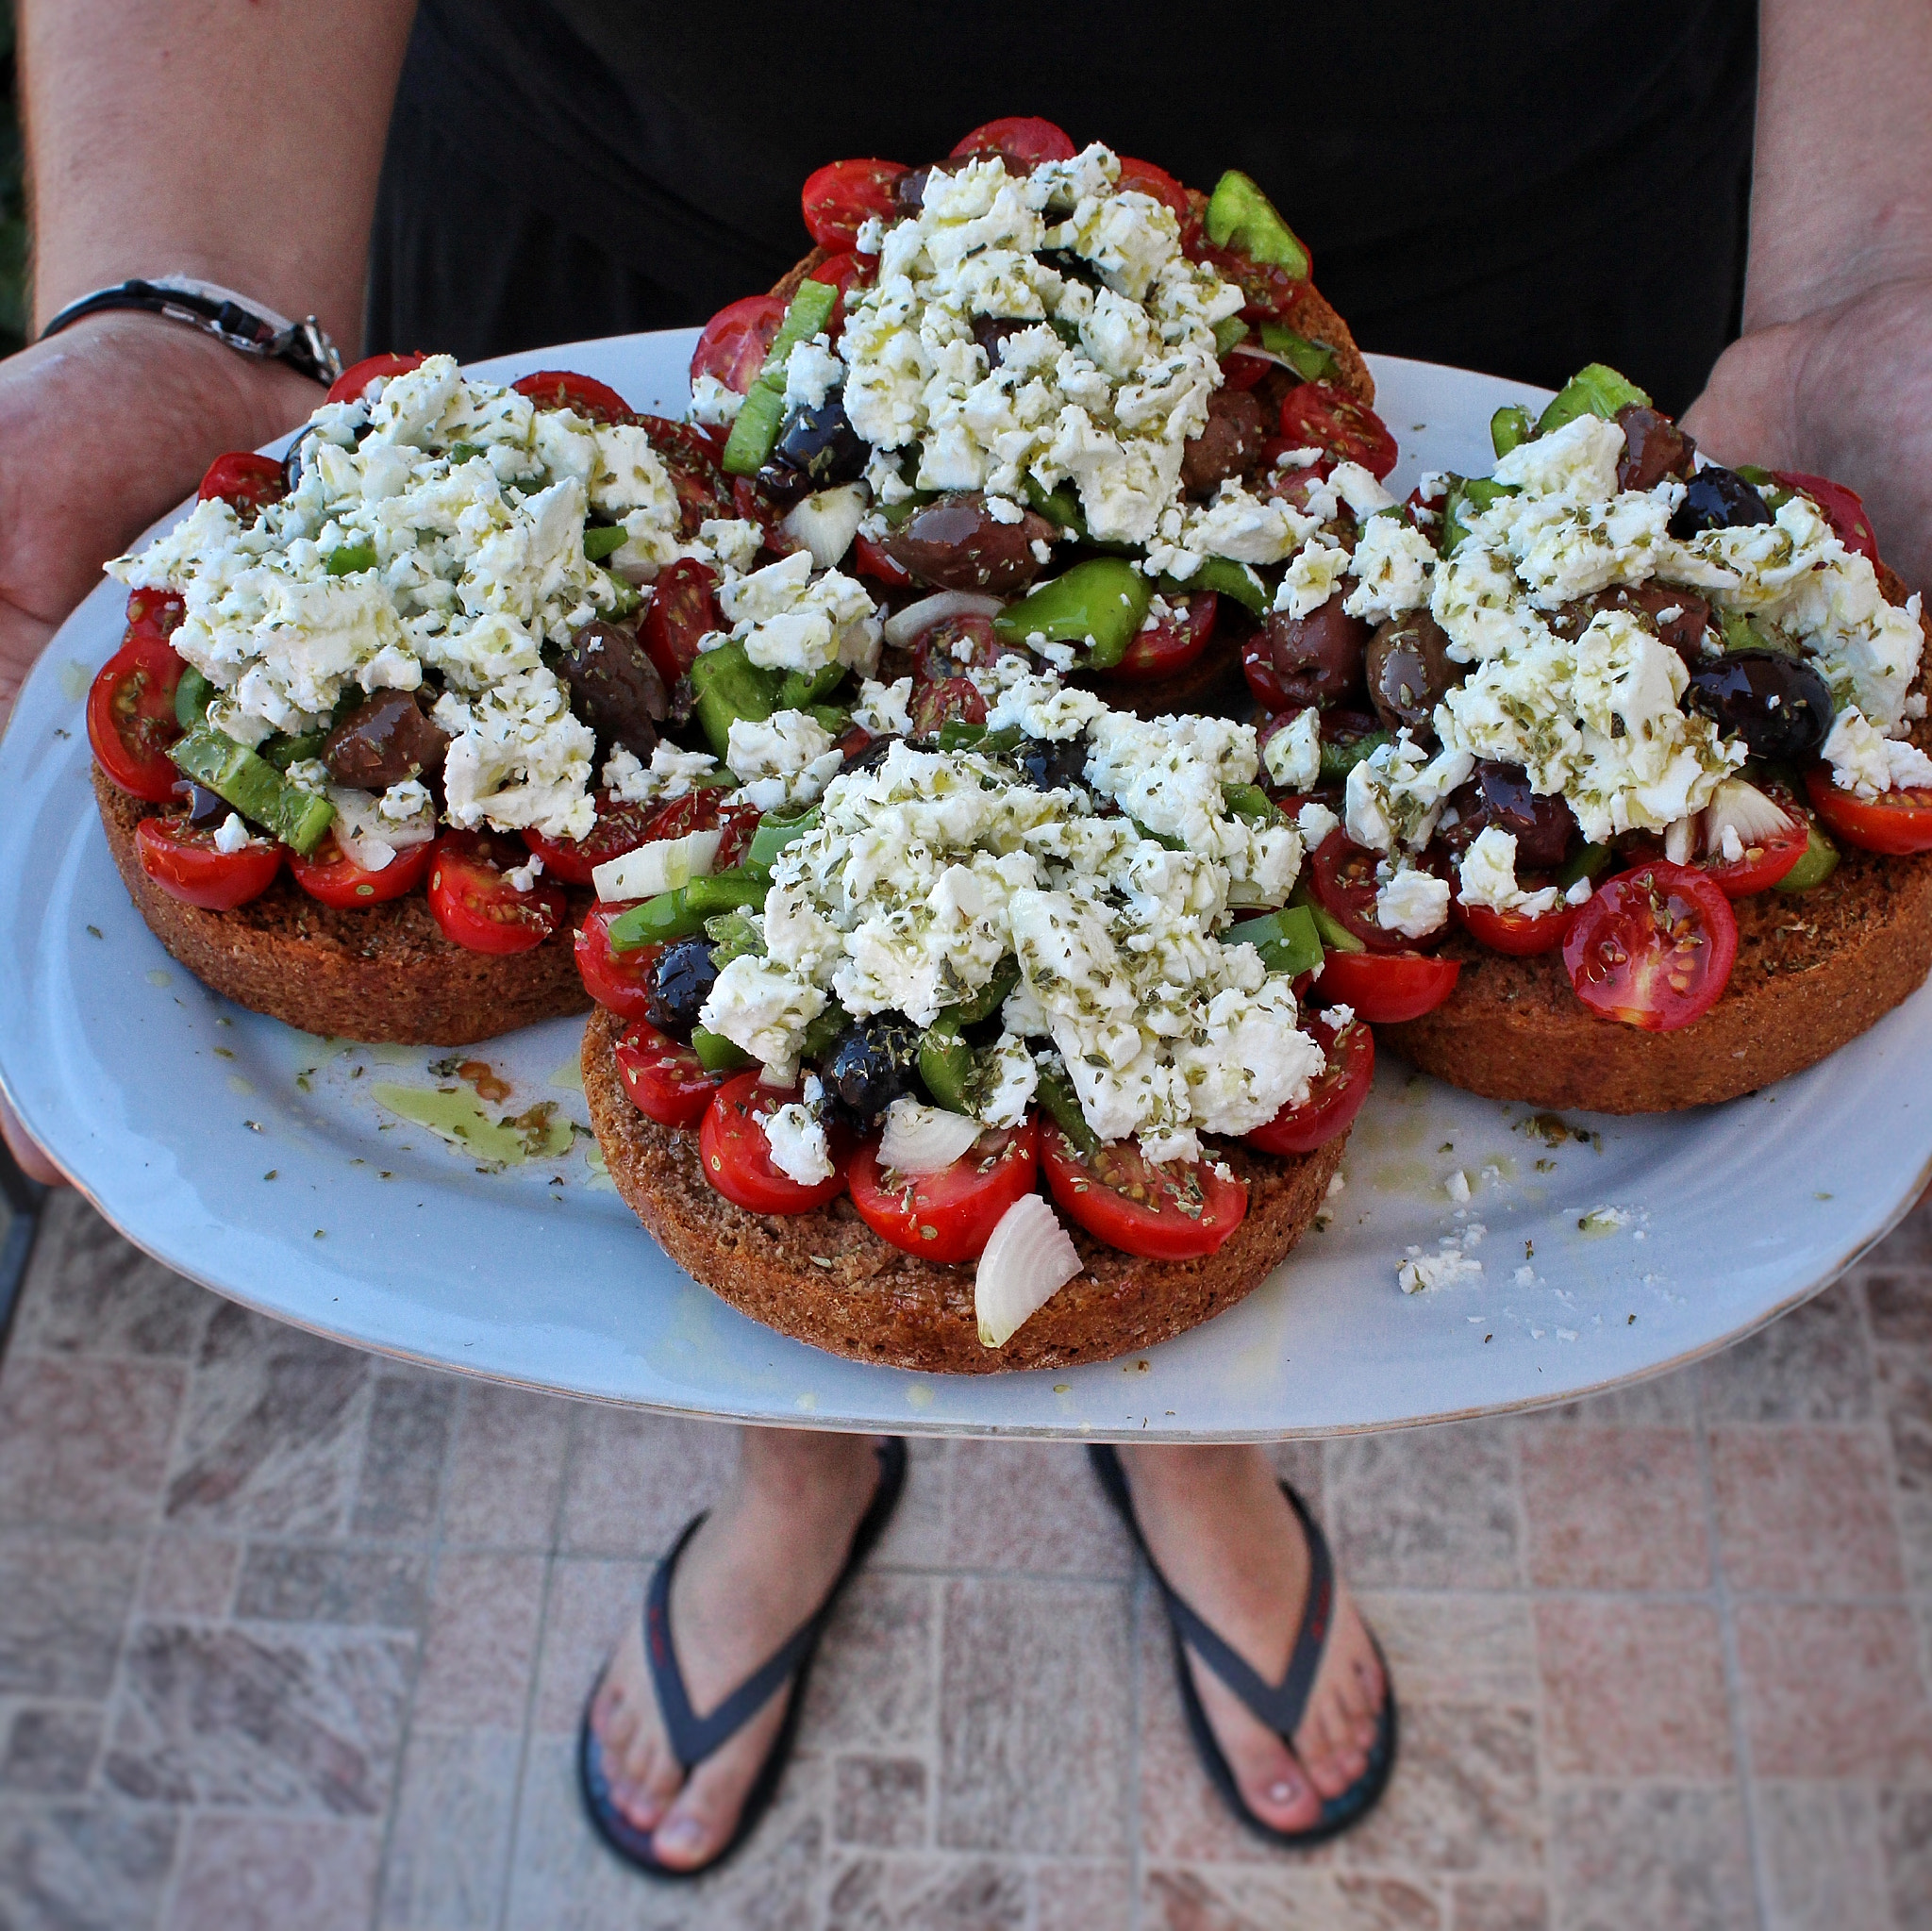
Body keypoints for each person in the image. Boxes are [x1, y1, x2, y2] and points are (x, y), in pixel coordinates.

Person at [3, 0, 1929, 1878]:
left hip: (1522, 202)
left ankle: (1202, 1463)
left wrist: (1876, 286)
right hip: (626, 161)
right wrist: (185, 290)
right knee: (767, 1256)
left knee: (1191, 1064)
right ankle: (794, 1470)